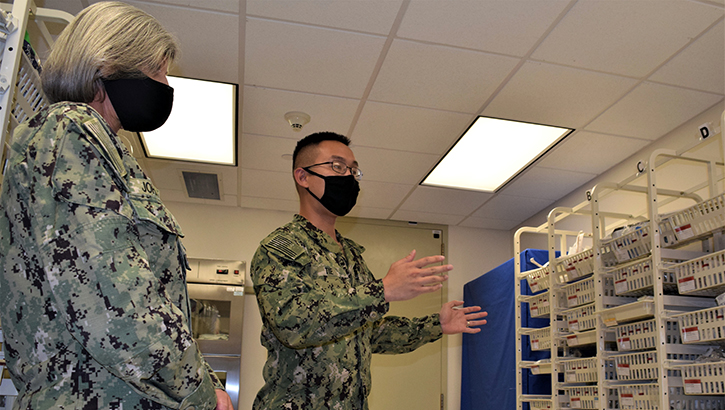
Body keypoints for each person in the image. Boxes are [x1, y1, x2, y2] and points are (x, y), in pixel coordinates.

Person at [0, 2, 232, 409]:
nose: (164, 85)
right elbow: (117, 306)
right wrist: (202, 396)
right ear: (109, 63)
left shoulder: (110, 149)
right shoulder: (72, 129)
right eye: (157, 72)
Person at [251, 131, 489, 409]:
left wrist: (436, 325)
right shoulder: (280, 248)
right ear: (303, 177)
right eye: (338, 166)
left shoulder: (351, 255)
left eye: (354, 170)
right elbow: (293, 325)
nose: (349, 177)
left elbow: (369, 332)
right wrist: (383, 290)